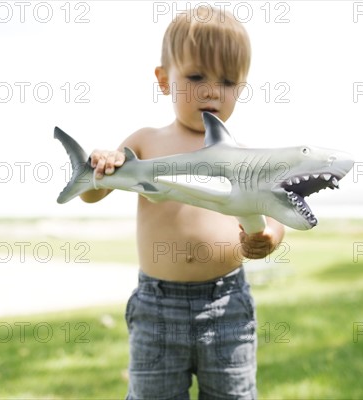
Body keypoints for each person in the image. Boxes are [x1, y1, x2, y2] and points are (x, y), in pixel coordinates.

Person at [79, 6, 285, 399]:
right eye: (195, 76)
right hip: (157, 307)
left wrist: (270, 236)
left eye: (227, 81)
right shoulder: (145, 142)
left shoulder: (243, 155)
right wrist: (100, 166)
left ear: (240, 88)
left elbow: (275, 210)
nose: (211, 90)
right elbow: (93, 192)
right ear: (163, 79)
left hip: (227, 305)